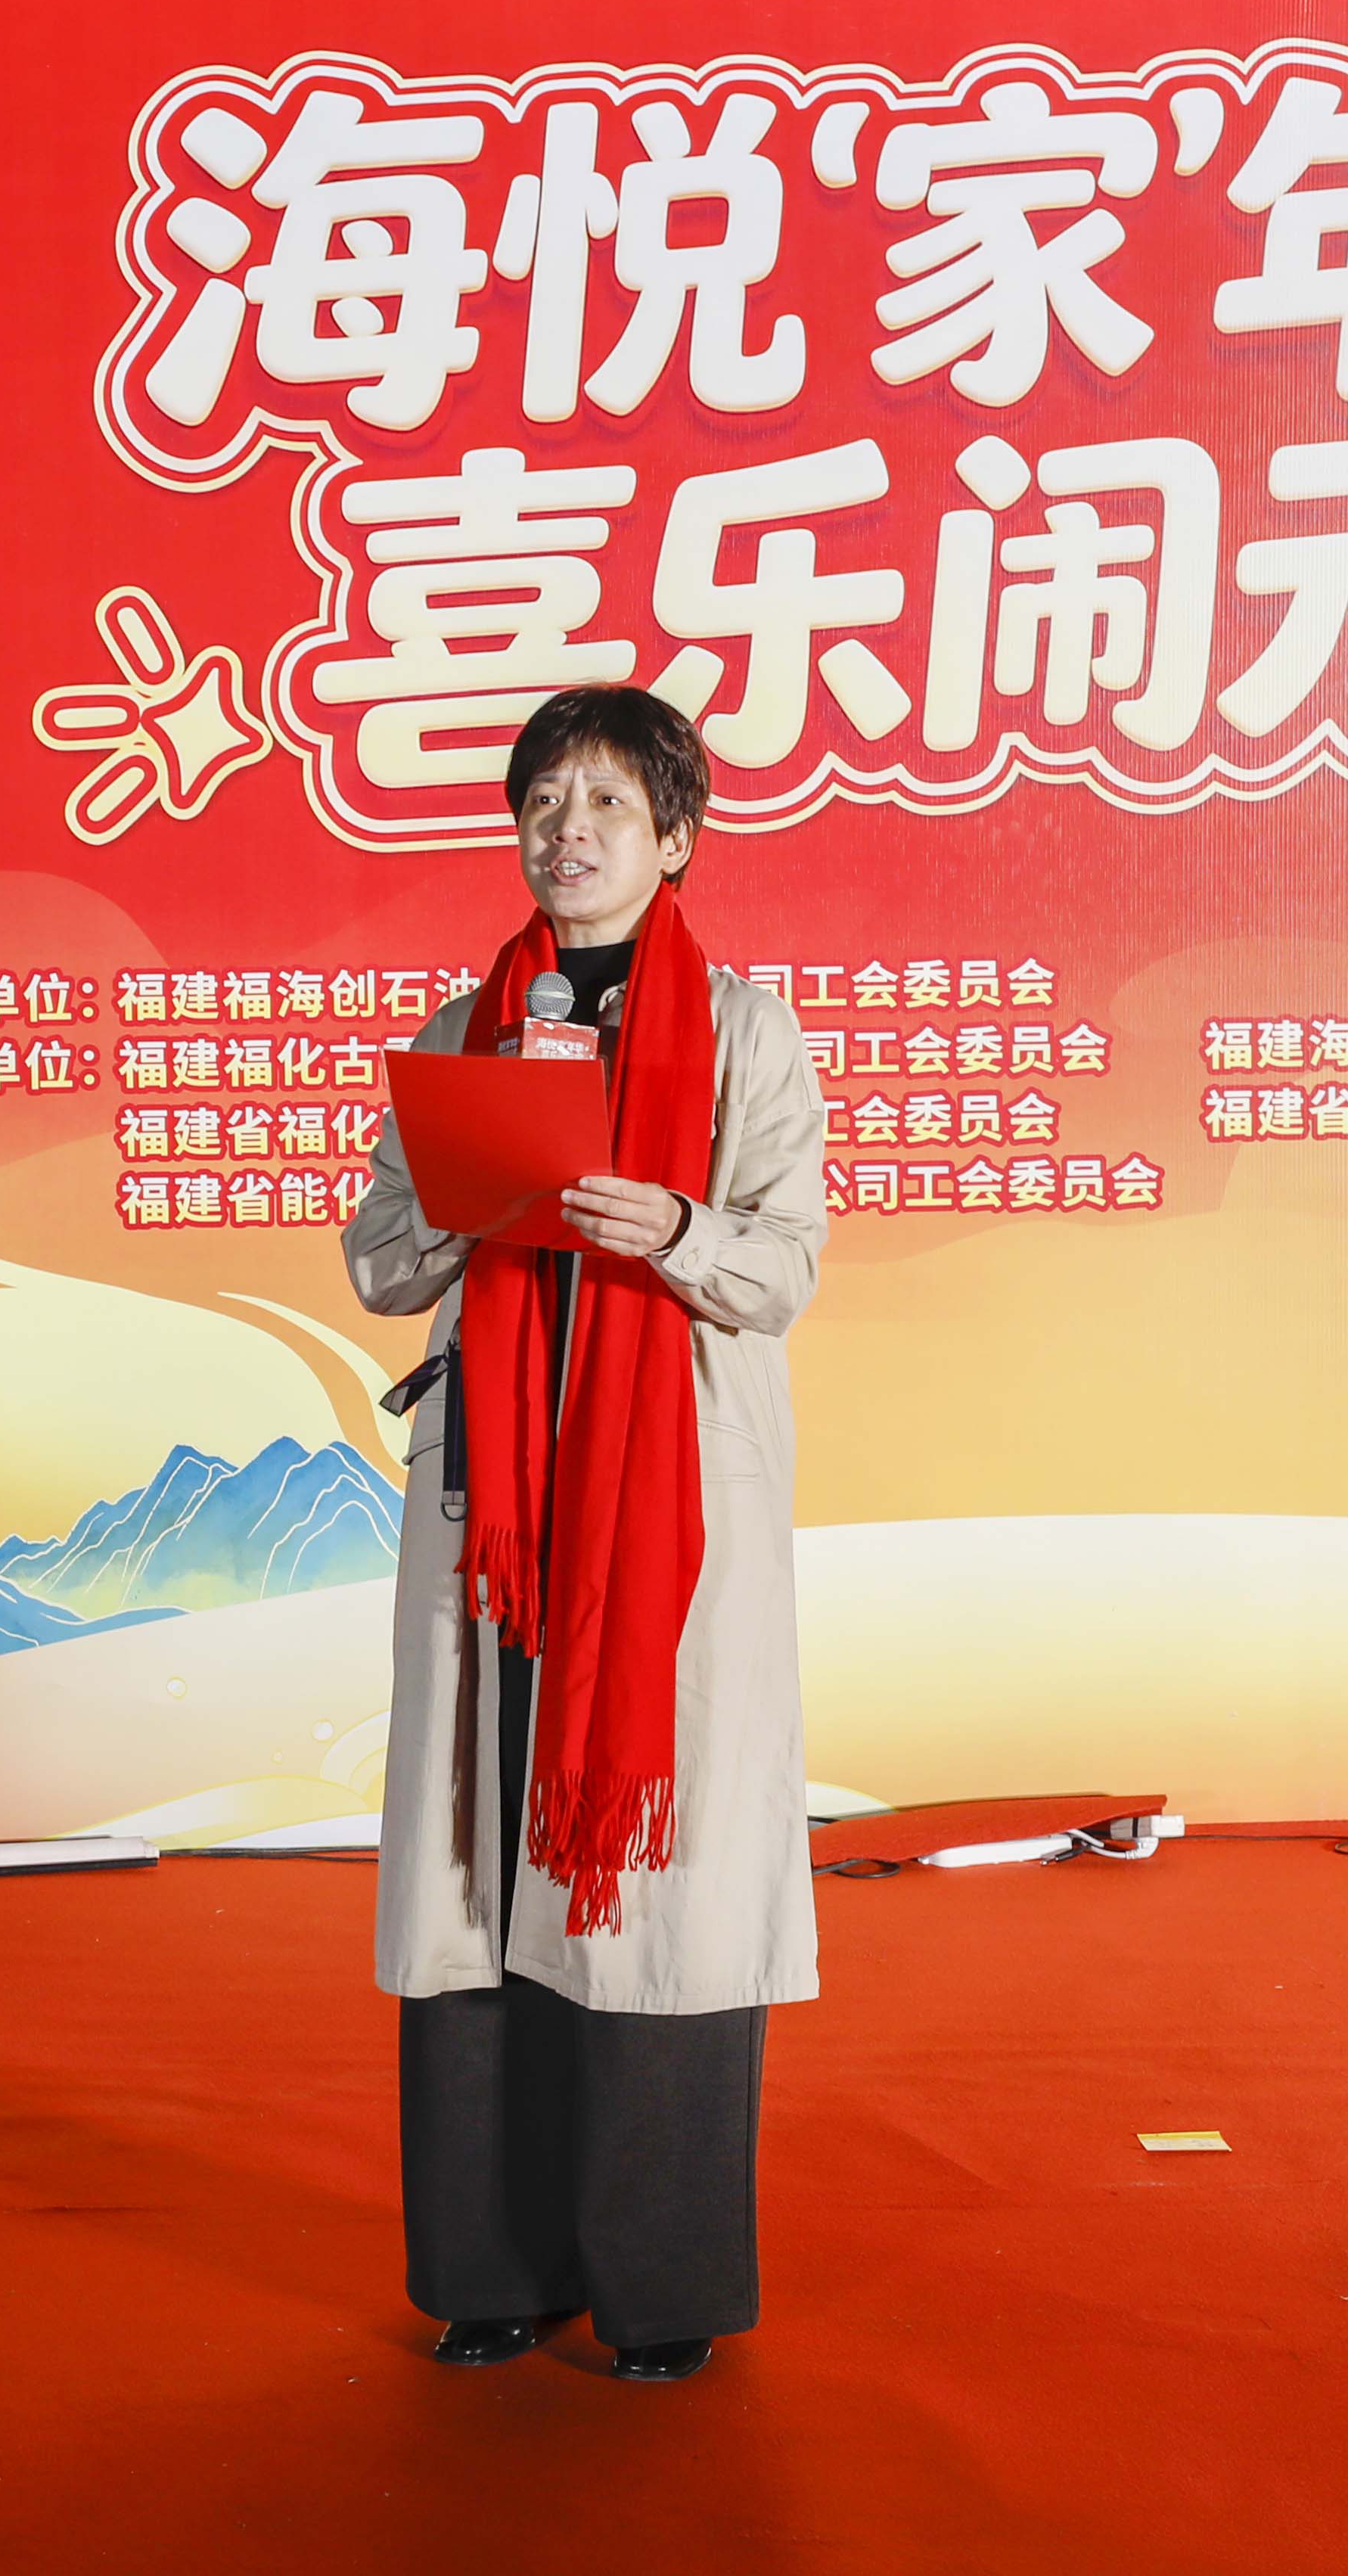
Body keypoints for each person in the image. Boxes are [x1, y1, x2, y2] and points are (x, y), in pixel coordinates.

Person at [342, 685, 829, 2384]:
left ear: (675, 837)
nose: (570, 833)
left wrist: (673, 1223)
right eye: (545, 802)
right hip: (491, 1509)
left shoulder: (747, 1033)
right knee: (480, 1871)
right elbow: (378, 1260)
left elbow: (785, 1266)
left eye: (609, 803)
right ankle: (493, 2267)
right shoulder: (467, 1029)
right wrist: (465, 1205)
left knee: (649, 1877)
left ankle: (659, 2289)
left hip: (661, 1517)